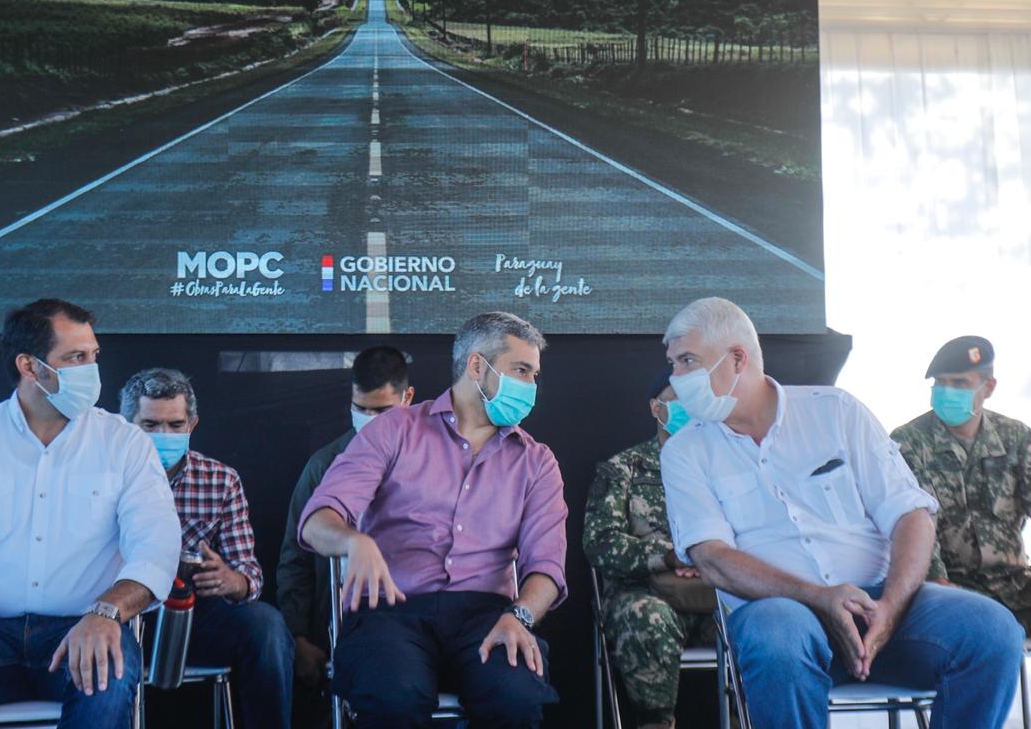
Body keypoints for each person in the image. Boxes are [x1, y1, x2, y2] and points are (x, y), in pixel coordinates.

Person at [659, 297, 1024, 729]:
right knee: (775, 635)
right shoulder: (685, 450)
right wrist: (819, 598)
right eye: (674, 364)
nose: (676, 378)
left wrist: (891, 604)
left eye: (687, 361)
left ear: (737, 358)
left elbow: (912, 514)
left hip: (883, 605)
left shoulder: (835, 411)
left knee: (994, 631)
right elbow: (712, 558)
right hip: (784, 613)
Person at [0, 299, 181, 729]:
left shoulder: (124, 443)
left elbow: (157, 547)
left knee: (108, 676)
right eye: (75, 358)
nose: (90, 369)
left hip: (84, 626)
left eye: (93, 356)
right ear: (29, 366)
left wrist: (107, 613)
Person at [299, 312, 566, 729]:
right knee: (394, 699)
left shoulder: (536, 461)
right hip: (391, 612)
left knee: (515, 699)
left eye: (534, 374)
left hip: (489, 617)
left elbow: (547, 567)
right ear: (477, 366)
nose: (531, 386)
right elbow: (318, 520)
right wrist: (355, 542)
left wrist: (521, 616)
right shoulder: (394, 430)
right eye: (521, 371)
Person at [119, 367, 293, 729]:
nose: (163, 435)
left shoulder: (220, 479)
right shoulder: (102, 476)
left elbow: (249, 572)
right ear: (126, 425)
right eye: (149, 426)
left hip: (194, 615)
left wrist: (234, 581)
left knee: (267, 626)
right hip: (121, 615)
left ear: (192, 425)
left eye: (175, 425)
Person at [276, 345, 415, 699]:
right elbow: (296, 559)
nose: (369, 419)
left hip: (419, 625)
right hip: (339, 630)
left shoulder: (434, 464)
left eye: (381, 411)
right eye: (360, 408)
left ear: (408, 398)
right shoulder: (324, 466)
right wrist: (299, 638)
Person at [583, 375, 711, 729]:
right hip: (646, 593)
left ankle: (744, 716)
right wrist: (668, 557)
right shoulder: (623, 468)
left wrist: (708, 560)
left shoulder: (720, 466)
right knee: (646, 617)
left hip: (713, 591)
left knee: (762, 617)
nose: (689, 408)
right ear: (657, 408)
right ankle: (656, 723)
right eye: (678, 399)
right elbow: (600, 543)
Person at [891, 335, 1031, 630]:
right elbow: (911, 523)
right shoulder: (909, 443)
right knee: (977, 630)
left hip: (1014, 582)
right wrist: (937, 581)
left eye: (959, 383)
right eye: (940, 383)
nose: (947, 391)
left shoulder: (1016, 437)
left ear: (988, 387)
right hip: (948, 587)